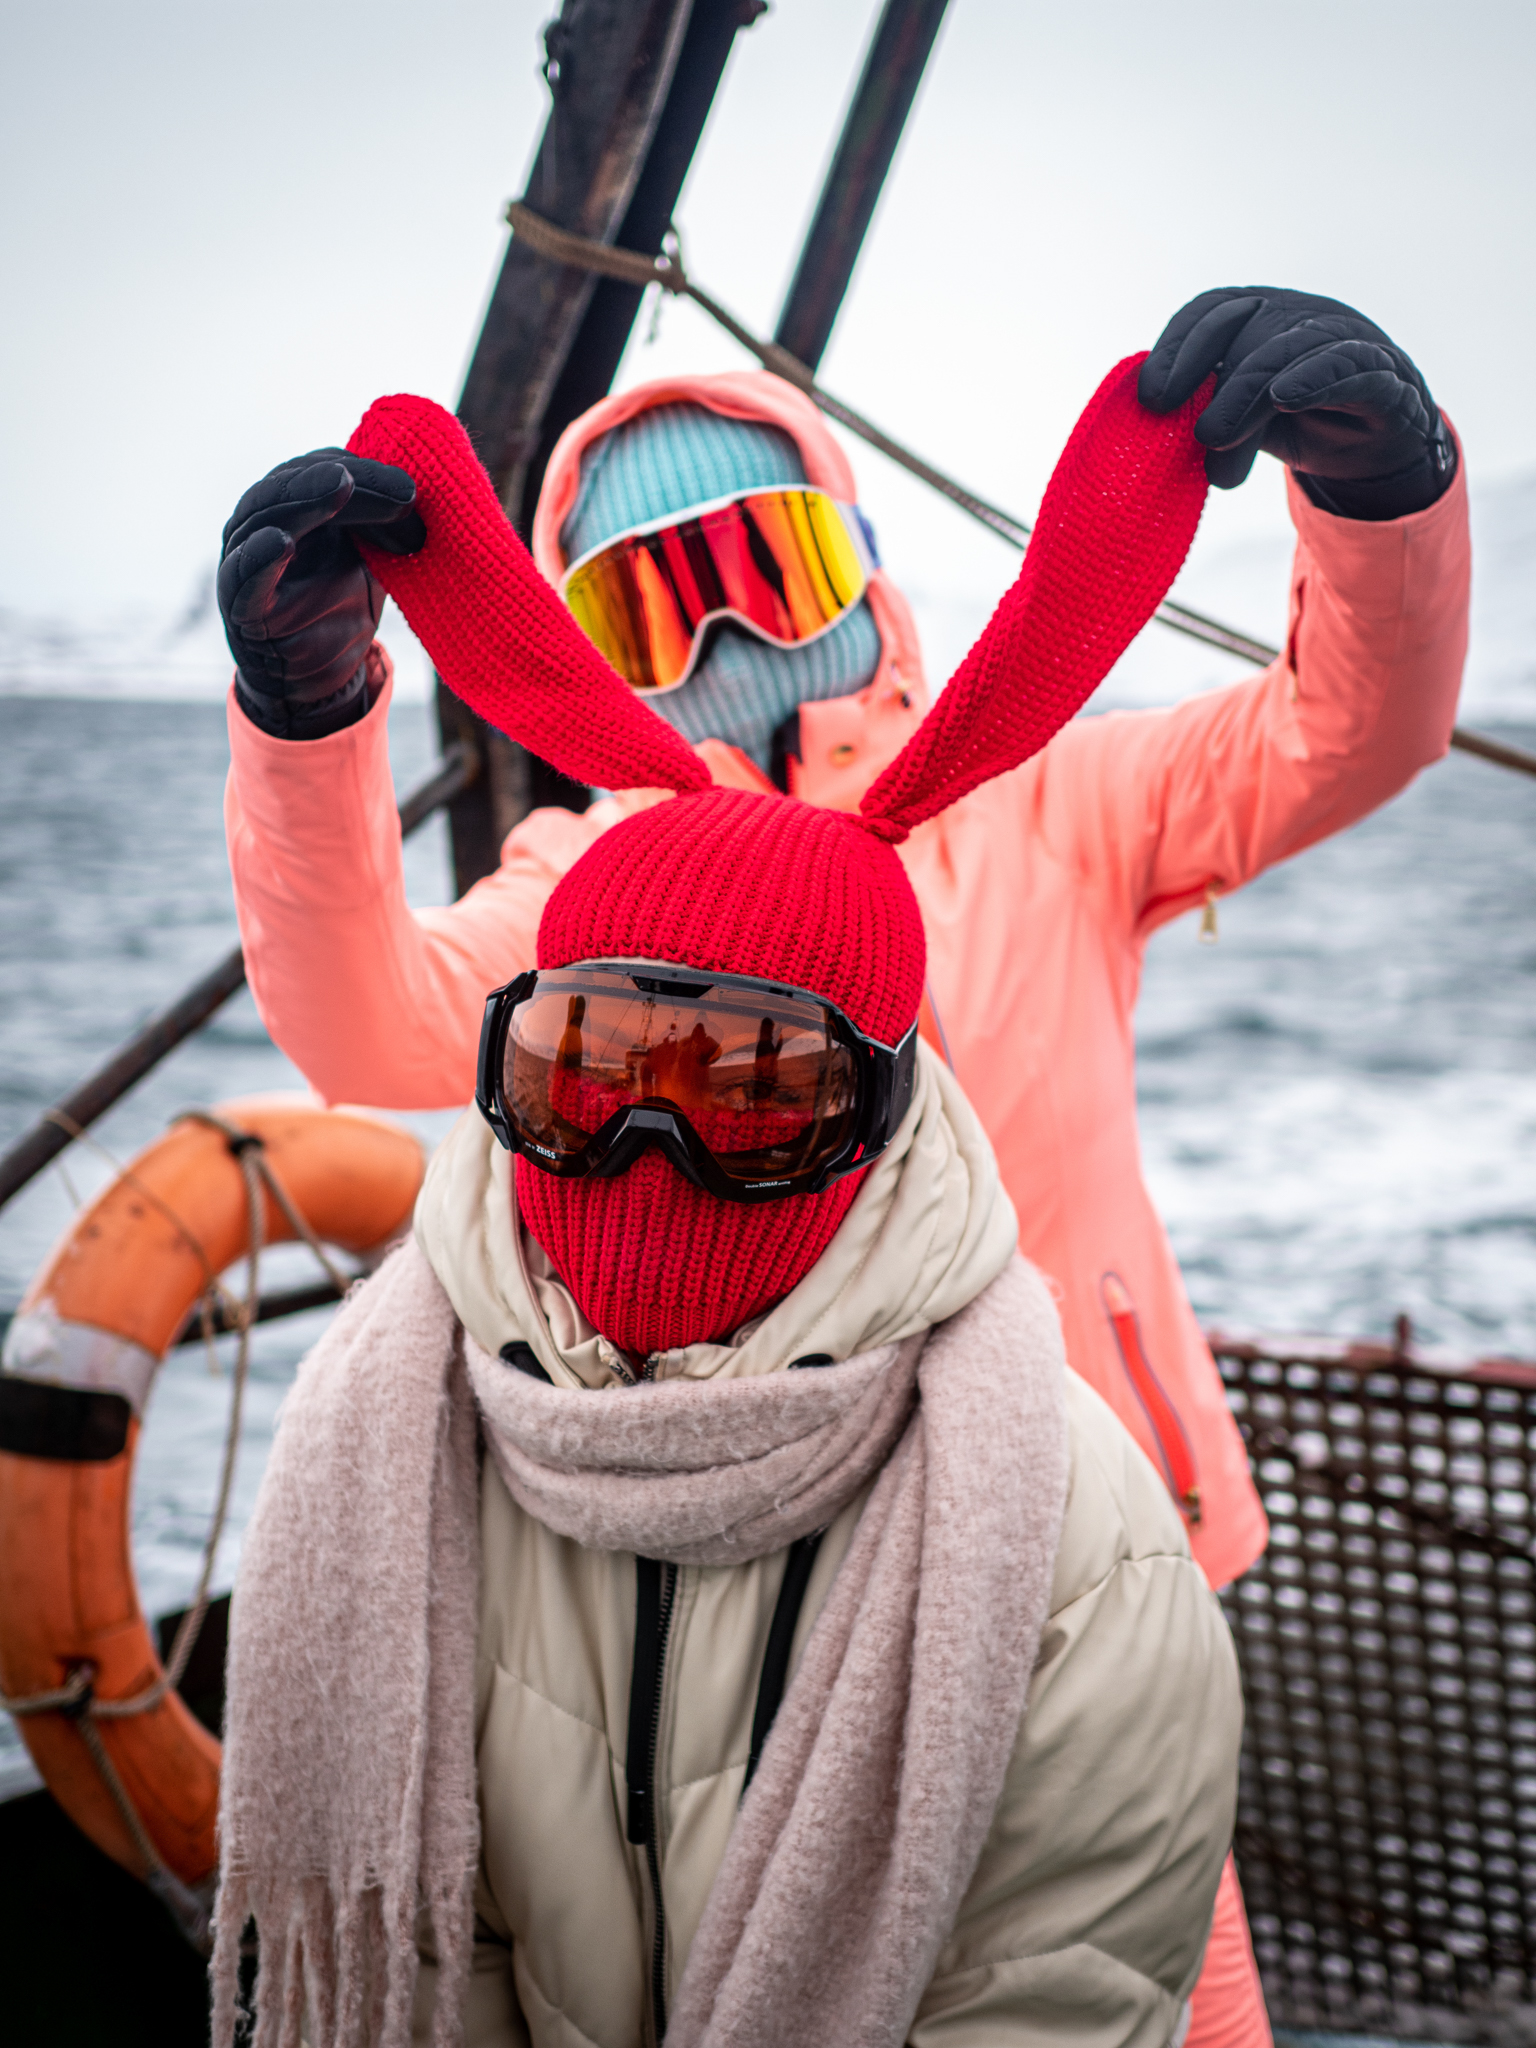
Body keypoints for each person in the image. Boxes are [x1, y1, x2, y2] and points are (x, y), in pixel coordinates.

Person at [218, 289, 1471, 2046]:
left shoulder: (1045, 798)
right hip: (720, 1564)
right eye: (657, 598)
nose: (731, 625)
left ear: (862, 572)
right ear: (590, 648)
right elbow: (366, 1020)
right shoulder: (601, 883)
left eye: (771, 562)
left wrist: (1383, 501)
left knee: (1149, 1971)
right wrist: (305, 720)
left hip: (1073, 1538)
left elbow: (1347, 729)